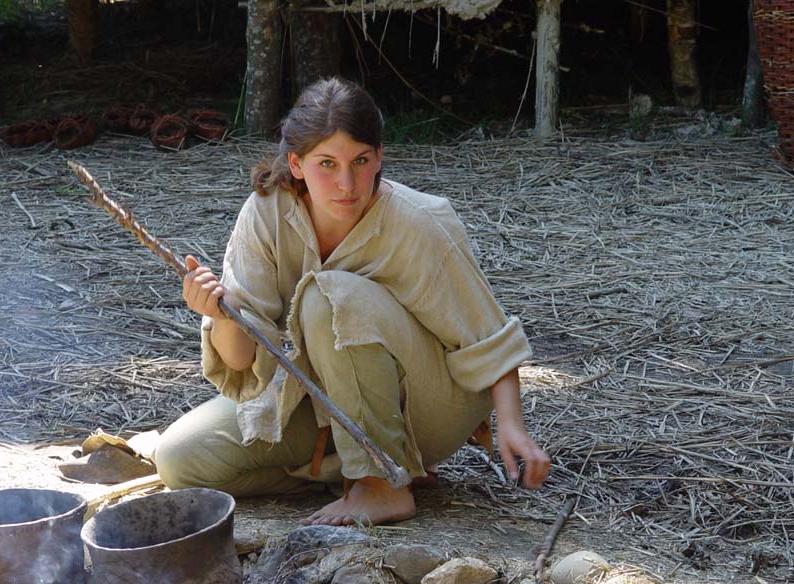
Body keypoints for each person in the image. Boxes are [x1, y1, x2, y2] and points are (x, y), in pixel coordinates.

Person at [154, 77, 550, 526]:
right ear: (296, 164)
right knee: (182, 461)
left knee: (325, 296)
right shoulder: (266, 213)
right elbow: (243, 357)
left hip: (430, 406)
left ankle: (382, 485)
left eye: (360, 161)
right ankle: (363, 470)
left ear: (380, 157)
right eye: (327, 163)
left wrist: (513, 426)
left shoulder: (419, 221)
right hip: (326, 398)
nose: (346, 183)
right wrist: (217, 314)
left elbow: (488, 335)